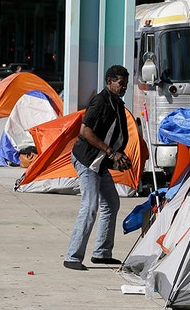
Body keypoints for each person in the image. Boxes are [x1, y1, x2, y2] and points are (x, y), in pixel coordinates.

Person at [63, 65, 132, 271]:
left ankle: (101, 254)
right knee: (90, 206)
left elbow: (115, 135)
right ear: (109, 81)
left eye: (126, 84)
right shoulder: (101, 101)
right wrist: (111, 152)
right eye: (121, 83)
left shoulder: (117, 103)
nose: (124, 87)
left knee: (111, 203)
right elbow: (85, 131)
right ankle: (72, 257)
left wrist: (118, 157)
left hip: (100, 162)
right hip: (87, 160)